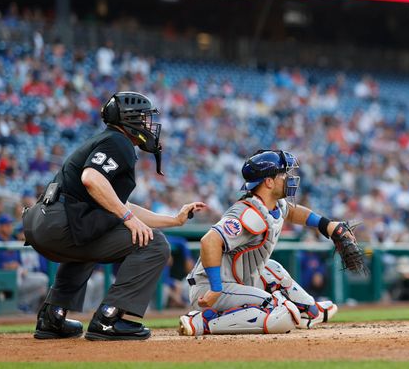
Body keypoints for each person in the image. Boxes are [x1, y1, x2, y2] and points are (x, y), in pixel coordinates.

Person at [22, 91, 206, 340]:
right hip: (60, 222)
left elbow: (117, 203)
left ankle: (52, 316)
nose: (146, 125)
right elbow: (92, 178)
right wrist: (128, 218)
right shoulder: (119, 142)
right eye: (142, 118)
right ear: (128, 119)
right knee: (154, 243)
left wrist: (174, 220)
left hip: (45, 222)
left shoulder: (107, 140)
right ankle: (111, 317)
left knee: (91, 234)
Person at [178, 149, 364, 336]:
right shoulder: (248, 213)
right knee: (280, 313)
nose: (289, 178)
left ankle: (309, 311)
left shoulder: (272, 205)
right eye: (283, 174)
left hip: (237, 281)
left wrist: (327, 226)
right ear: (268, 182)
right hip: (212, 288)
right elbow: (209, 241)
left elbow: (292, 212)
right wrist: (216, 289)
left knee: (273, 269)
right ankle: (202, 322)